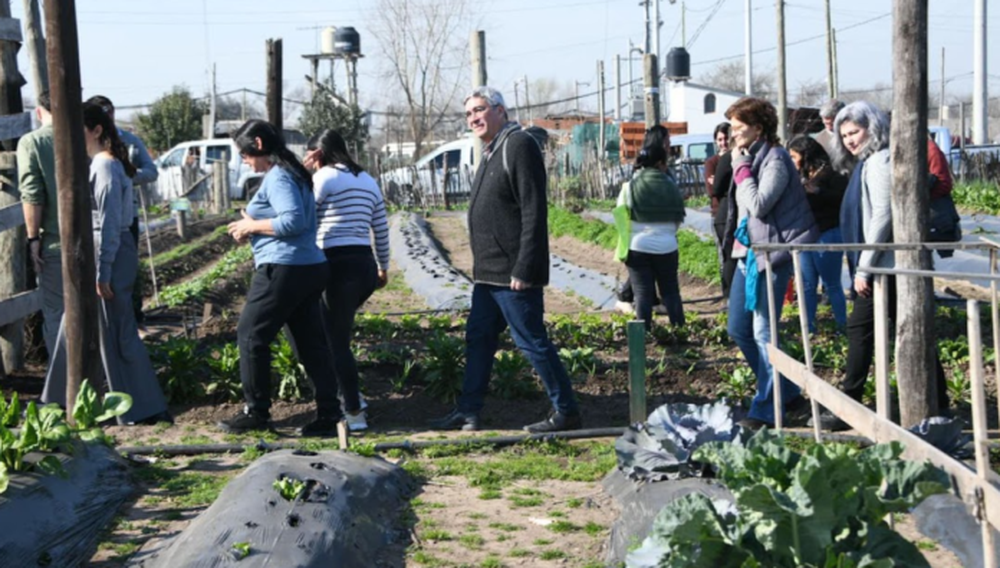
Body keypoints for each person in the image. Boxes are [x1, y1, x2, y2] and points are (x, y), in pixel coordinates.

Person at [430, 86, 581, 433]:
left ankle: (567, 410)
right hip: (489, 276)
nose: (474, 118)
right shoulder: (491, 149)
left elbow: (533, 209)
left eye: (480, 110)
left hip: (513, 274)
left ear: (500, 110)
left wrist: (525, 266)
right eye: (469, 113)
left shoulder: (518, 145)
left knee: (531, 341)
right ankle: (468, 411)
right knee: (479, 338)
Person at [810, 101, 949, 431]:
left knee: (866, 331)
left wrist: (864, 269)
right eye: (843, 135)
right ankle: (938, 404)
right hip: (886, 268)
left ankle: (850, 404)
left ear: (873, 128)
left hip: (885, 269)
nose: (849, 140)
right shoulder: (869, 161)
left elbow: (883, 216)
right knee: (906, 332)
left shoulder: (879, 161)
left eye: (855, 132)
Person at [42, 102, 171, 425]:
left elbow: (112, 223)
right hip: (102, 251)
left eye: (77, 127)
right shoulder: (101, 162)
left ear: (96, 130)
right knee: (73, 325)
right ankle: (56, 401)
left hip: (107, 252)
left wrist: (102, 271)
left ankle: (142, 406)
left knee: (115, 329)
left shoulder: (104, 166)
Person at [218, 119, 343, 436]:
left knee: (250, 335)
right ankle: (330, 414)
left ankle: (256, 412)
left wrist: (250, 226)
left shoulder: (279, 177)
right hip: (307, 267)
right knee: (309, 344)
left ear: (258, 145)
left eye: (245, 154)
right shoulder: (293, 173)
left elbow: (293, 222)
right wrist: (253, 225)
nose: (244, 161)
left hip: (284, 269)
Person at [722, 97, 818, 430]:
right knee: (738, 329)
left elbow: (759, 204)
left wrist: (740, 168)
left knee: (765, 332)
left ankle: (765, 409)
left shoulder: (775, 159)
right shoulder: (748, 157)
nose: (733, 133)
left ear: (759, 128)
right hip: (747, 255)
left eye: (739, 127)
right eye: (732, 127)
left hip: (773, 256)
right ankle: (787, 392)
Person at [302, 129, 390, 432]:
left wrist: (301, 174)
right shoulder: (368, 180)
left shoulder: (323, 177)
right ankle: (349, 396)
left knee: (335, 341)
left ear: (318, 153)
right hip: (364, 265)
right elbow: (380, 226)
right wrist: (383, 266)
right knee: (334, 334)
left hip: (335, 264)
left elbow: (304, 215)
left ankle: (354, 412)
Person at [86, 95, 158, 326]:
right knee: (114, 316)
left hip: (118, 225)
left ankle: (136, 318)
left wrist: (125, 178)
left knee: (116, 310)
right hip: (110, 227)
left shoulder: (112, 157)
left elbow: (151, 172)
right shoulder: (97, 157)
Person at [618, 143, 686, 329]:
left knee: (642, 293)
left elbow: (621, 217)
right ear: (660, 163)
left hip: (638, 246)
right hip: (667, 246)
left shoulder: (630, 186)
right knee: (671, 291)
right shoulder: (672, 187)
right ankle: (679, 331)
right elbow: (679, 219)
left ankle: (643, 334)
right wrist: (666, 233)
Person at [787, 135, 848, 332]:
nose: (791, 160)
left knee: (831, 284)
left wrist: (818, 192)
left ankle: (841, 326)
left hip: (827, 232)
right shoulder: (800, 176)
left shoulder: (832, 173)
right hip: (805, 235)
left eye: (794, 156)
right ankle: (808, 328)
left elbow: (841, 200)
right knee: (806, 285)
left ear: (806, 155)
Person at [18, 91, 62, 362]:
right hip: (97, 242)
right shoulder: (88, 136)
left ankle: (66, 388)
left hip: (56, 241)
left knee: (58, 315)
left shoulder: (32, 142)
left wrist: (33, 238)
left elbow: (32, 195)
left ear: (38, 111)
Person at [615, 124, 674, 314]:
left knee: (644, 268)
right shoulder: (649, 170)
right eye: (667, 140)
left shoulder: (653, 164)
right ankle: (627, 298)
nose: (669, 143)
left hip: (653, 231)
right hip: (647, 230)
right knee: (643, 270)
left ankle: (649, 302)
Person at [707, 122, 737, 297]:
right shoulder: (715, 161)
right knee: (726, 256)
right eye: (720, 139)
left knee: (731, 257)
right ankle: (728, 294)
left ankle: (731, 296)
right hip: (721, 214)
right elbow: (712, 190)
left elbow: (716, 186)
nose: (723, 142)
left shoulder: (729, 159)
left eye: (726, 138)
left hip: (727, 213)